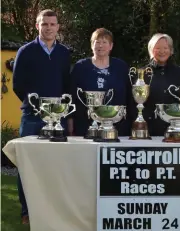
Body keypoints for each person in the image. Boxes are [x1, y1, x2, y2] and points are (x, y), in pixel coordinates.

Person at [13, 9, 71, 224]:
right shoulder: (25, 51)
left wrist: (61, 112)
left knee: (55, 165)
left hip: (58, 118)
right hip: (32, 117)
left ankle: (53, 209)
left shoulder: (64, 53)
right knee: (26, 165)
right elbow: (18, 84)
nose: (48, 28)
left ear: (58, 27)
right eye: (44, 24)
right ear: (37, 26)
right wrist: (37, 106)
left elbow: (67, 85)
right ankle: (26, 211)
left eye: (52, 24)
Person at [68, 28, 131, 137]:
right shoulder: (81, 67)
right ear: (92, 45)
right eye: (97, 42)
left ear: (111, 46)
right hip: (85, 126)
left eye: (104, 42)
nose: (100, 46)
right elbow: (71, 94)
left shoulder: (121, 67)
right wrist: (70, 122)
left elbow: (129, 96)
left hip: (117, 127)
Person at [129, 33, 180, 136]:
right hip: (147, 129)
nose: (162, 51)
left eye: (165, 48)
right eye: (158, 48)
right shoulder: (141, 74)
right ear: (151, 50)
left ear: (171, 50)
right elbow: (132, 104)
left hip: (174, 129)